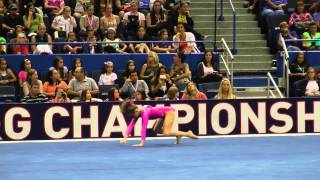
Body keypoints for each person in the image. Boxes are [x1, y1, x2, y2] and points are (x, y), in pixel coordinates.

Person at [119, 100, 198, 147]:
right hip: (162, 115)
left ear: (136, 111)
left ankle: (188, 133)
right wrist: (125, 137)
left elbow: (143, 127)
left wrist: (142, 143)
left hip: (169, 112)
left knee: (166, 132)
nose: (133, 117)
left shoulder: (145, 112)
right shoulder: (137, 111)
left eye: (133, 115)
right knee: (156, 130)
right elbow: (131, 125)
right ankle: (178, 134)